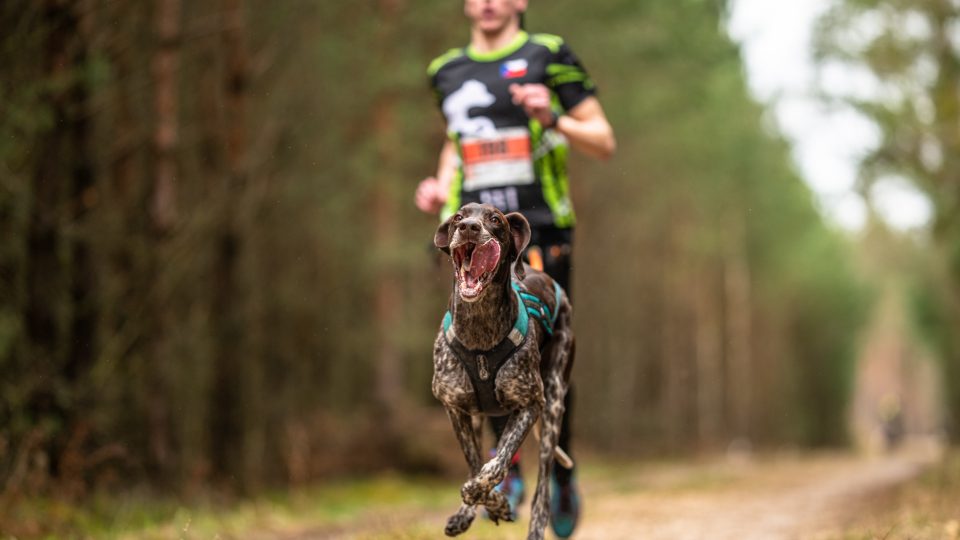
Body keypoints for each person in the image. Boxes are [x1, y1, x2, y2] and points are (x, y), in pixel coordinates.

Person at [416, 0, 615, 536]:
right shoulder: (446, 71)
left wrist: (554, 117)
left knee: (543, 356)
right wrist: (439, 191)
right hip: (471, 236)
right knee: (482, 349)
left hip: (539, 229)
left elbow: (603, 139)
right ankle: (509, 471)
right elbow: (455, 145)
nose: (486, 3)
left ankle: (559, 466)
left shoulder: (548, 55)